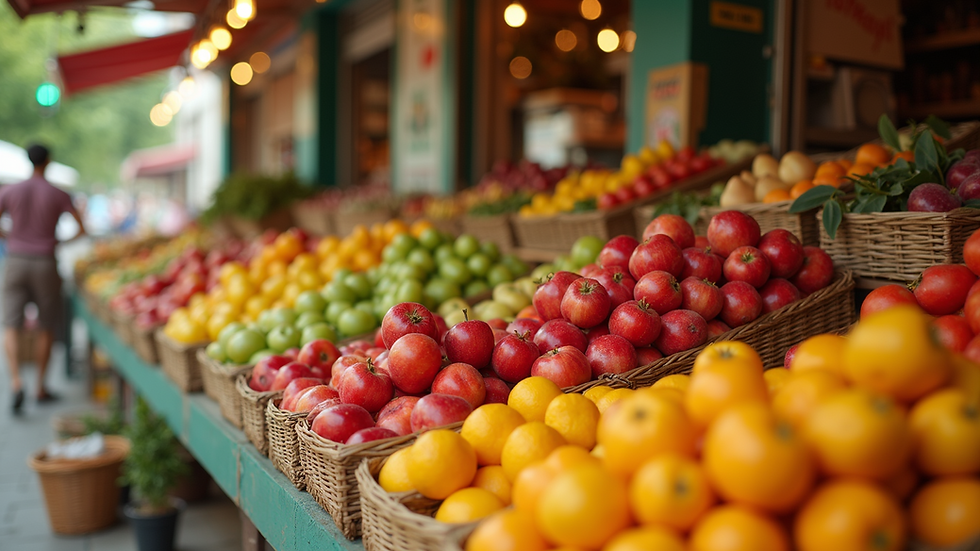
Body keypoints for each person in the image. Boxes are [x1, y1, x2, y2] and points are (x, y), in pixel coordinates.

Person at [0, 144, 86, 413]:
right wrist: (58, 241)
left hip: (15, 260)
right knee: (46, 325)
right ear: (48, 161)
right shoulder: (58, 193)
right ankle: (40, 386)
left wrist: (11, 238)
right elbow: (82, 228)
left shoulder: (10, 191)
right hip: (46, 262)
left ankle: (16, 381)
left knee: (10, 325)